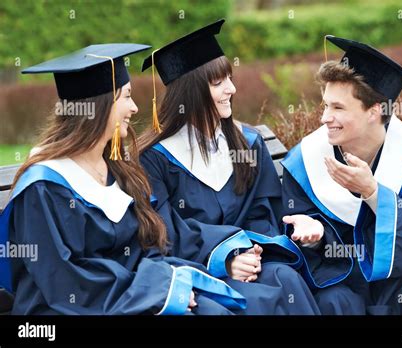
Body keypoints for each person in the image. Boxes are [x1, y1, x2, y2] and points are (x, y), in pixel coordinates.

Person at [0, 44, 246, 315]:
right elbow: (64, 280)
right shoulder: (44, 187)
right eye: (126, 97)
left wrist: (168, 284)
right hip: (67, 310)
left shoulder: (117, 170)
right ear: (100, 106)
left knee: (216, 310)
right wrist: (158, 292)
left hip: (129, 297)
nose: (135, 107)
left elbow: (147, 247)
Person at [139, 20, 320, 315]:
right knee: (258, 300)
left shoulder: (247, 144)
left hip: (252, 260)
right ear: (191, 92)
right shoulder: (155, 158)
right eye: (218, 82)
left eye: (230, 79)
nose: (231, 89)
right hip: (197, 270)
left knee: (286, 278)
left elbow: (262, 212)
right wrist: (225, 256)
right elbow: (164, 234)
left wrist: (253, 251)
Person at [280, 35, 402, 315]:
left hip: (399, 278)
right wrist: (316, 236)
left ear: (375, 111)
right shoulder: (305, 161)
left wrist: (374, 194)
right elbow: (296, 240)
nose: (324, 118)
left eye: (338, 108)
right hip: (339, 282)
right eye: (325, 105)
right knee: (333, 302)